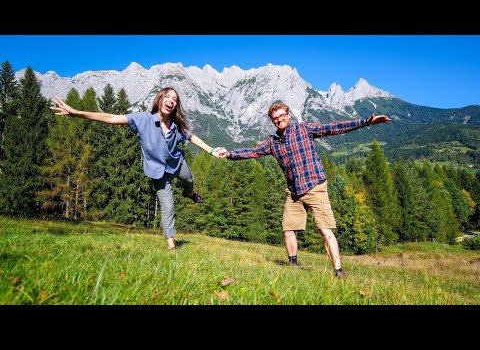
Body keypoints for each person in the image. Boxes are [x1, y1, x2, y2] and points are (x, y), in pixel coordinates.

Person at [217, 101, 391, 279]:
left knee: (324, 229)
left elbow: (333, 127)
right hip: (294, 192)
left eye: (282, 116)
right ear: (272, 121)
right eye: (275, 118)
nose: (279, 120)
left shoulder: (304, 129)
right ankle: (293, 266)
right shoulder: (272, 142)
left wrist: (366, 122)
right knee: (288, 229)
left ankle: (338, 270)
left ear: (288, 115)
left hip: (315, 186)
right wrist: (229, 154)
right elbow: (252, 152)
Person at [51, 87, 223, 251]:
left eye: (175, 99)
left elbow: (190, 136)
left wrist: (210, 150)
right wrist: (77, 113)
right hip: (158, 172)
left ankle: (189, 194)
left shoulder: (176, 123)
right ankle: (171, 245)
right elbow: (111, 118)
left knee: (190, 180)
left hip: (177, 163)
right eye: (168, 97)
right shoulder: (143, 119)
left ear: (175, 106)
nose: (171, 100)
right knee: (167, 206)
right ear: (160, 99)